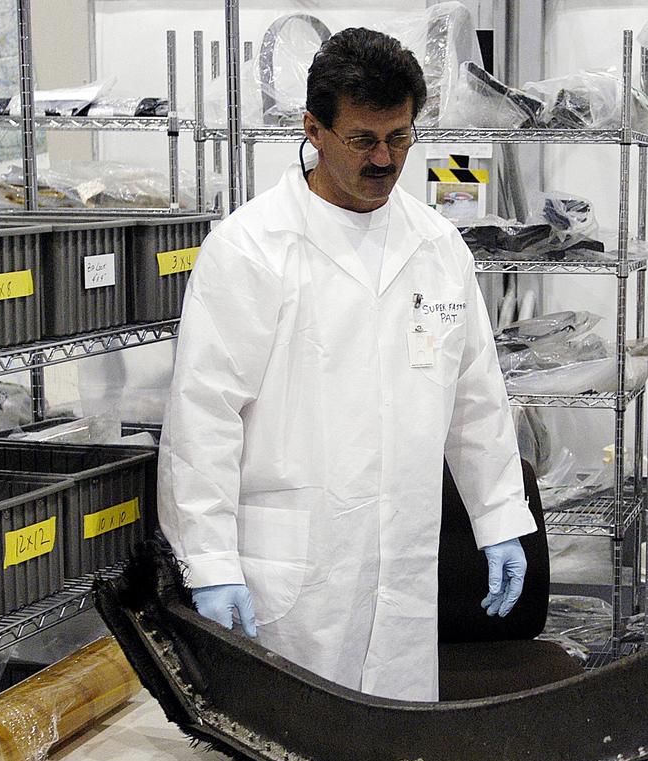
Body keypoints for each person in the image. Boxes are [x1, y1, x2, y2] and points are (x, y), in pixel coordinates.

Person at [157, 28, 536, 702]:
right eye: (364, 139)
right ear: (314, 129)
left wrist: (500, 514)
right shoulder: (252, 248)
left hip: (403, 569)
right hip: (294, 577)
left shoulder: (437, 245)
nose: (385, 159)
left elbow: (475, 395)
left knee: (394, 754)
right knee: (286, 760)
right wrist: (210, 562)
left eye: (400, 136)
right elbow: (203, 416)